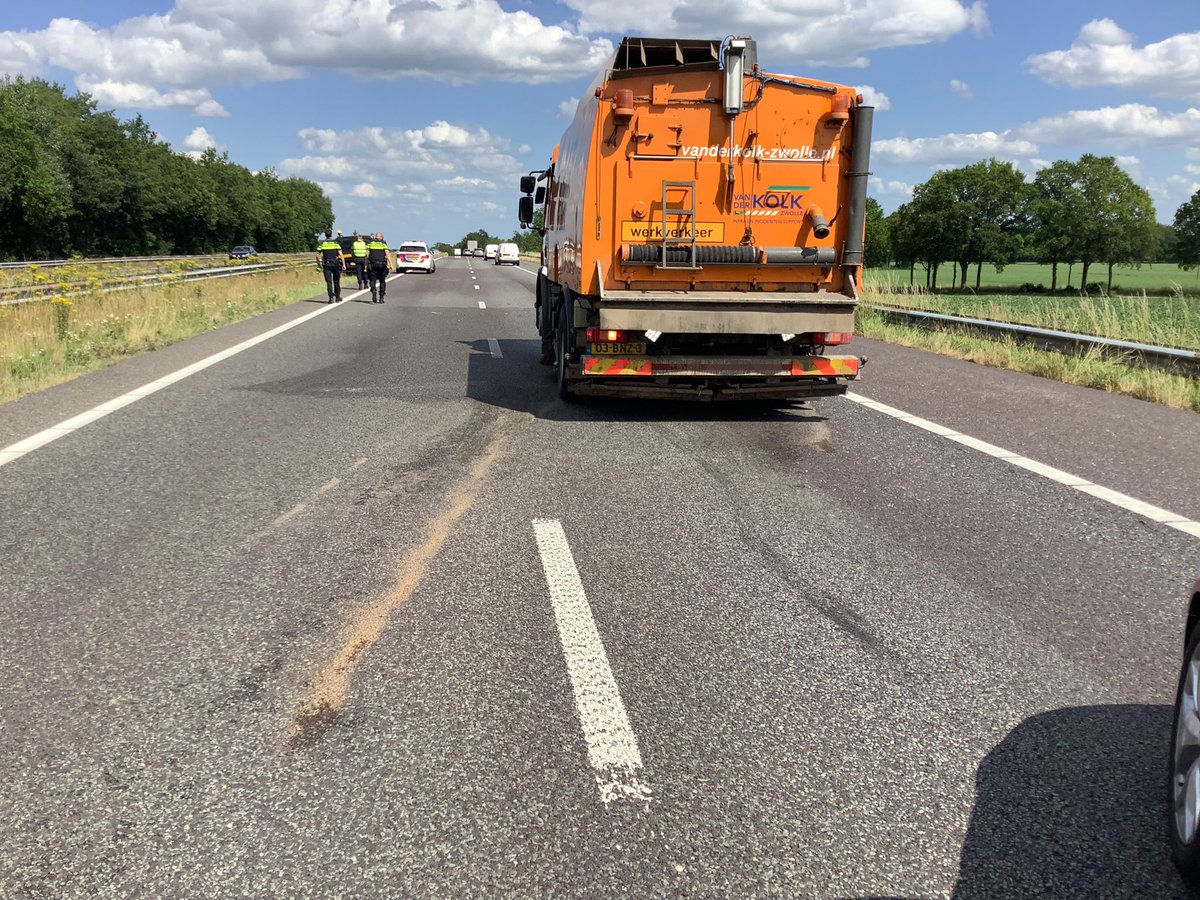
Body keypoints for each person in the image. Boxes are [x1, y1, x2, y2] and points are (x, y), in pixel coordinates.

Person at [316, 229, 344, 303]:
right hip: (335, 264)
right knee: (336, 281)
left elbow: (317, 255)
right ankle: (337, 297)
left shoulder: (323, 244)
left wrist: (318, 264)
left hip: (326, 264)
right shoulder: (335, 243)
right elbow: (341, 254)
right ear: (331, 234)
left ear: (325, 235)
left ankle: (331, 298)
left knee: (329, 282)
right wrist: (343, 264)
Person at [366, 232, 391, 304]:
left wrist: (367, 263)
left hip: (373, 265)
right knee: (382, 281)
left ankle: (373, 290)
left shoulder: (370, 243)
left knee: (372, 280)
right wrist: (390, 263)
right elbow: (387, 254)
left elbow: (367, 255)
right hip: (382, 265)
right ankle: (381, 298)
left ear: (375, 237)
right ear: (381, 237)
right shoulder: (383, 244)